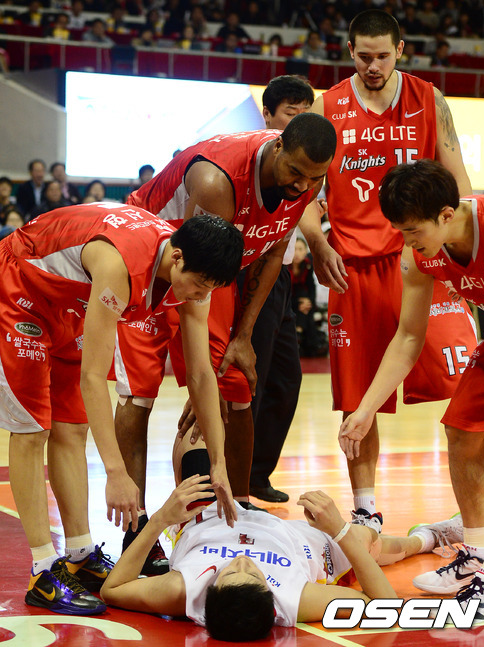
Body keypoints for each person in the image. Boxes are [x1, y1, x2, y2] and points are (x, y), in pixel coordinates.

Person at [115, 113, 337, 569]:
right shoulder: (217, 181)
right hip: (151, 264)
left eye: (314, 179)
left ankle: (235, 508)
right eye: (296, 173)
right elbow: (198, 272)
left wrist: (243, 336)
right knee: (142, 397)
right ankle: (138, 530)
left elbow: (273, 251)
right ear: (278, 147)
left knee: (234, 382)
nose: (302, 186)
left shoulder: (306, 179)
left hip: (209, 275)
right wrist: (202, 376)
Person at [1, 203, 243, 615]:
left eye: (210, 289)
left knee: (71, 427)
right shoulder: (119, 265)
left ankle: (79, 554)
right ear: (177, 258)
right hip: (21, 286)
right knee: (32, 429)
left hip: (70, 299)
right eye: (200, 285)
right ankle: (42, 569)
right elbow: (94, 378)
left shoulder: (195, 276)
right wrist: (115, 472)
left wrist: (219, 462)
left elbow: (202, 375)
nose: (201, 296)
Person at [301, 8, 477, 532]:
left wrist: (462, 258)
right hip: (354, 269)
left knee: (472, 384)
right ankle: (366, 510)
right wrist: (317, 242)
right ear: (349, 51)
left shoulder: (429, 99)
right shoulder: (327, 105)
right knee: (358, 401)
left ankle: (477, 515)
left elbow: (459, 183)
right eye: (363, 56)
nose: (373, 66)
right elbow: (302, 189)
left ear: (400, 50)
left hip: (424, 259)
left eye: (383, 56)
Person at [101, 429, 465, 641]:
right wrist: (339, 530)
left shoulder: (182, 592)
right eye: (251, 573)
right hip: (294, 540)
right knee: (365, 540)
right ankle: (430, 537)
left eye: (229, 573)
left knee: (194, 433)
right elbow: (385, 605)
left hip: (213, 516)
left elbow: (112, 589)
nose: (241, 561)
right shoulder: (294, 600)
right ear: (272, 597)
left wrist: (160, 519)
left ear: (209, 592)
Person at [339, 159, 484, 619]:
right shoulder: (420, 255)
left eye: (412, 231)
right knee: (462, 432)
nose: (405, 242)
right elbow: (409, 337)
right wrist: (365, 409)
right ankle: (475, 555)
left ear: (447, 214)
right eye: (400, 231)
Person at [243, 75, 315, 504]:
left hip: (282, 275)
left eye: (306, 111)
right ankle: (235, 481)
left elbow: (305, 212)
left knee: (286, 380)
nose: (300, 119)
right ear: (267, 115)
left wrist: (319, 245)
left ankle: (255, 474)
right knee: (250, 378)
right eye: (291, 112)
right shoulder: (262, 158)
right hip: (252, 273)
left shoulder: (307, 162)